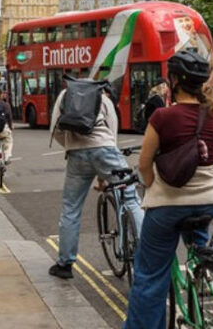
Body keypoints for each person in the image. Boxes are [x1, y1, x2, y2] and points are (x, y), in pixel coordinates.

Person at [122, 50, 213, 328]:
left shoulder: (162, 117)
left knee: (149, 276)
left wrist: (152, 185)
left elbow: (144, 164)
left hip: (169, 205)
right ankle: (201, 274)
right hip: (210, 202)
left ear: (175, 80)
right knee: (197, 244)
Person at [47, 74, 144, 281]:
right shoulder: (103, 97)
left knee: (71, 208)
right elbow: (112, 131)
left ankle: (65, 264)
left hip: (77, 156)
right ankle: (145, 255)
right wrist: (105, 171)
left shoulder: (65, 95)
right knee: (130, 197)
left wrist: (72, 146)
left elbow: (55, 129)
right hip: (106, 151)